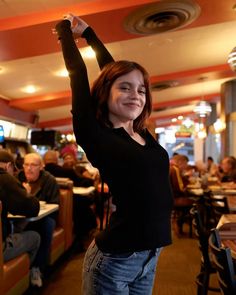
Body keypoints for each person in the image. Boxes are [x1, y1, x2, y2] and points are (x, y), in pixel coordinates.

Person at [55, 13, 173, 295]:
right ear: (106, 93)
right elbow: (79, 74)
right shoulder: (96, 135)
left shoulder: (141, 132)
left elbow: (114, 70)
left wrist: (91, 34)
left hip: (150, 256)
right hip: (114, 261)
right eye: (125, 88)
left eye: (141, 90)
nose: (136, 95)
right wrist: (66, 32)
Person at [0, 149, 42, 287]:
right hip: (1, 247)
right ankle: (20, 281)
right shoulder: (4, 178)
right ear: (8, 166)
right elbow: (33, 208)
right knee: (35, 237)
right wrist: (27, 193)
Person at [17, 152, 60, 285]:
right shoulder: (17, 178)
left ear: (41, 167)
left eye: (34, 165)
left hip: (46, 216)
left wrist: (29, 197)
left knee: (46, 225)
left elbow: (55, 204)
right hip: (22, 217)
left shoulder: (49, 180)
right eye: (26, 164)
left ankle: (38, 267)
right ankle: (20, 270)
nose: (29, 168)